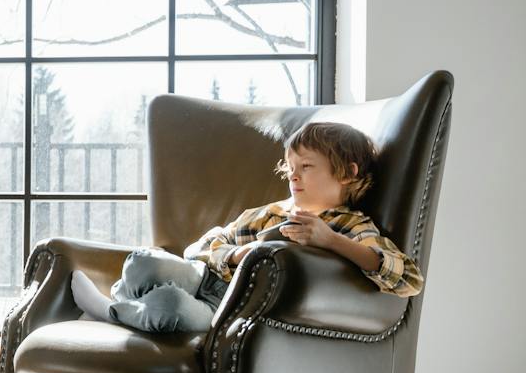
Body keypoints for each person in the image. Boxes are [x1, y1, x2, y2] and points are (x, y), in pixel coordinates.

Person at [70, 121, 424, 333]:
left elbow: (407, 279)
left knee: (170, 307)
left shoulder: (350, 225)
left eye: (307, 166)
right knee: (143, 261)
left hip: (225, 308)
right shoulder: (270, 214)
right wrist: (239, 253)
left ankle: (110, 313)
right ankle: (126, 303)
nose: (294, 175)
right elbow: (204, 246)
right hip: (203, 276)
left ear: (347, 173)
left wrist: (330, 241)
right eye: (290, 167)